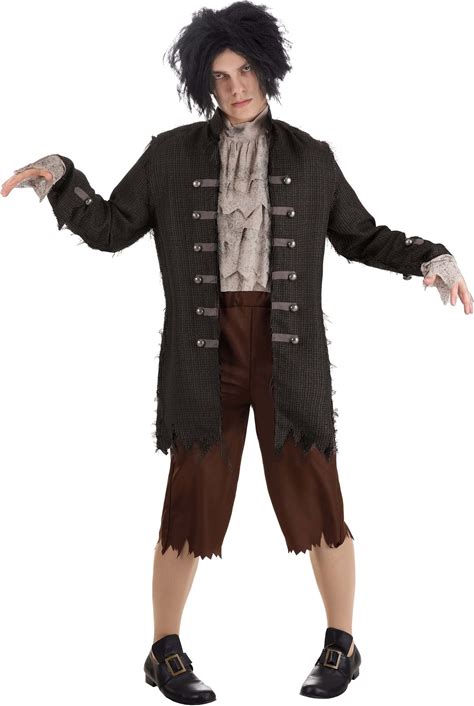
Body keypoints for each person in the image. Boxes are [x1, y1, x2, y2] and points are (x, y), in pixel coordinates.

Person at [2, 1, 472, 702]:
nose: (235, 87)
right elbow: (110, 228)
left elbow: (361, 236)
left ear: (266, 70)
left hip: (289, 353)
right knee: (189, 503)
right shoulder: (169, 155)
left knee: (318, 497)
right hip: (203, 353)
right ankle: (164, 651)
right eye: (220, 76)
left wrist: (430, 256)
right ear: (205, 82)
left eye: (244, 70)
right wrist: (60, 175)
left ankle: (342, 644)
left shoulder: (311, 157)